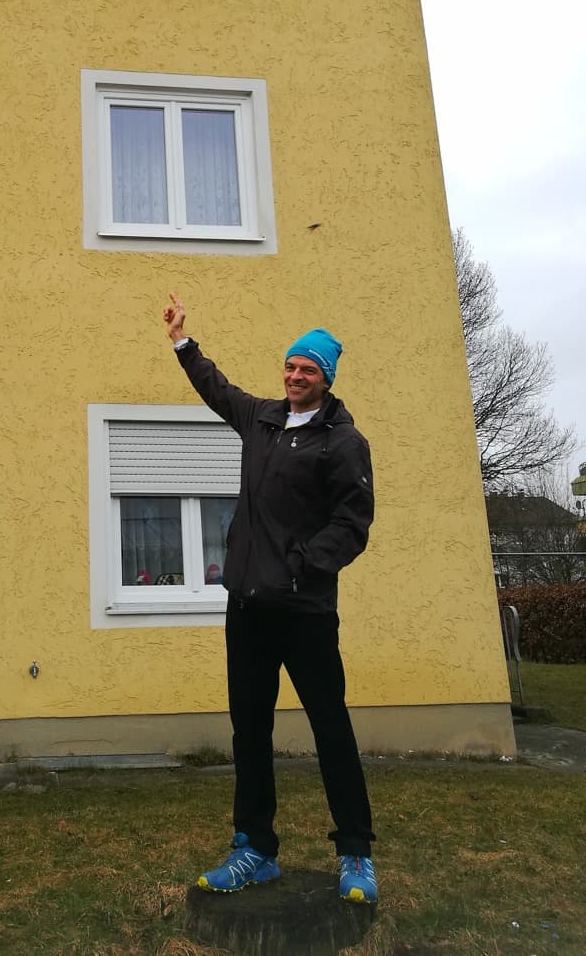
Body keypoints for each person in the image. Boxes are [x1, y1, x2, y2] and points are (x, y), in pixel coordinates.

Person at [162, 291, 378, 905]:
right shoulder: (261, 419)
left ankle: (356, 855)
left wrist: (303, 566)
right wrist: (183, 341)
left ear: (325, 378)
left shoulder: (343, 441)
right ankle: (253, 849)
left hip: (305, 611)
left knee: (331, 729)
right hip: (249, 608)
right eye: (290, 366)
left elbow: (353, 521)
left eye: (307, 369)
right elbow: (217, 388)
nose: (294, 376)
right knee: (249, 731)